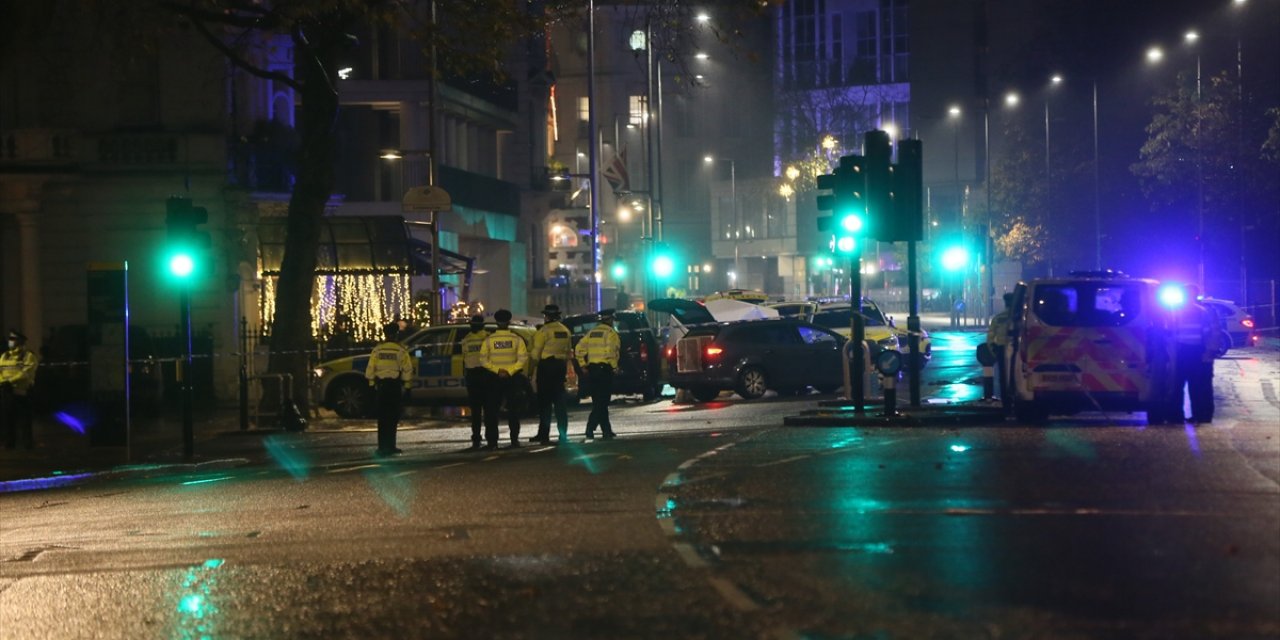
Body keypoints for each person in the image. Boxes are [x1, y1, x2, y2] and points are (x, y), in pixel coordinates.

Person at [1169, 286, 1223, 425]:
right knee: (1196, 387)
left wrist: (1209, 352)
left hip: (1190, 352)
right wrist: (1209, 352)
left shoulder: (1181, 311)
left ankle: (1181, 416)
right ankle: (1199, 416)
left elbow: (1212, 333)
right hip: (1193, 352)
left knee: (1183, 386)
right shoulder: (1200, 311)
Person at [480, 309, 529, 449]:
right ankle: (514, 440)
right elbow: (523, 359)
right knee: (513, 410)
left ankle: (492, 442)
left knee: (491, 411)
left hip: (494, 379)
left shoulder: (489, 340)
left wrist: (497, 370)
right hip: (512, 379)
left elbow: (483, 360)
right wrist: (510, 371)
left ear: (496, 322)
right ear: (509, 322)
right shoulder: (517, 339)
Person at [364, 323, 415, 456]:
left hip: (381, 386)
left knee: (382, 418)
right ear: (396, 334)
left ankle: (382, 447)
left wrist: (371, 385)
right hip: (394, 386)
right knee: (393, 417)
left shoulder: (378, 350)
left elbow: (371, 369)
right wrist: (407, 387)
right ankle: (391, 446)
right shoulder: (400, 350)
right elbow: (407, 370)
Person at [529, 304, 572, 445]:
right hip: (559, 367)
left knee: (545, 403)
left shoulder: (543, 331)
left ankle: (544, 435)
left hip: (546, 368)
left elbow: (535, 354)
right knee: (560, 403)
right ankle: (563, 435)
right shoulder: (565, 330)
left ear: (547, 316)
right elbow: (568, 351)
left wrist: (531, 369)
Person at [576, 309, 620, 440]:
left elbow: (578, 349)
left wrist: (582, 364)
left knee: (598, 401)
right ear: (610, 319)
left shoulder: (592, 332)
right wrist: (614, 367)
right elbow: (610, 352)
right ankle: (590, 427)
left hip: (593, 370)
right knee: (602, 402)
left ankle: (606, 430)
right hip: (604, 370)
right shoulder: (611, 333)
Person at [0, 329, 39, 450]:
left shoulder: (28, 356)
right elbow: (0, 371)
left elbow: (26, 373)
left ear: (20, 341)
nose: (10, 341)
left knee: (24, 420)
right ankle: (9, 443)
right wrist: (2, 382)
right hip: (7, 392)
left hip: (23, 392)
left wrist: (10, 381)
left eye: (13, 339)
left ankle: (27, 444)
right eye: (10, 339)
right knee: (8, 419)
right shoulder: (5, 356)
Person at [460, 315, 491, 450]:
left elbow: (465, 357)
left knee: (476, 411)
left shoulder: (467, 339)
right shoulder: (488, 337)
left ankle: (477, 440)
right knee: (487, 410)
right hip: (484, 375)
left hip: (475, 376)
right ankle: (489, 439)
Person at [986, 292, 1015, 412]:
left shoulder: (998, 318)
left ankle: (1006, 405)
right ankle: (1015, 403)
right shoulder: (1018, 317)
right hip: (1015, 350)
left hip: (1001, 349)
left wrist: (995, 352)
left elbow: (990, 338)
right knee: (1016, 377)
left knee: (1003, 378)